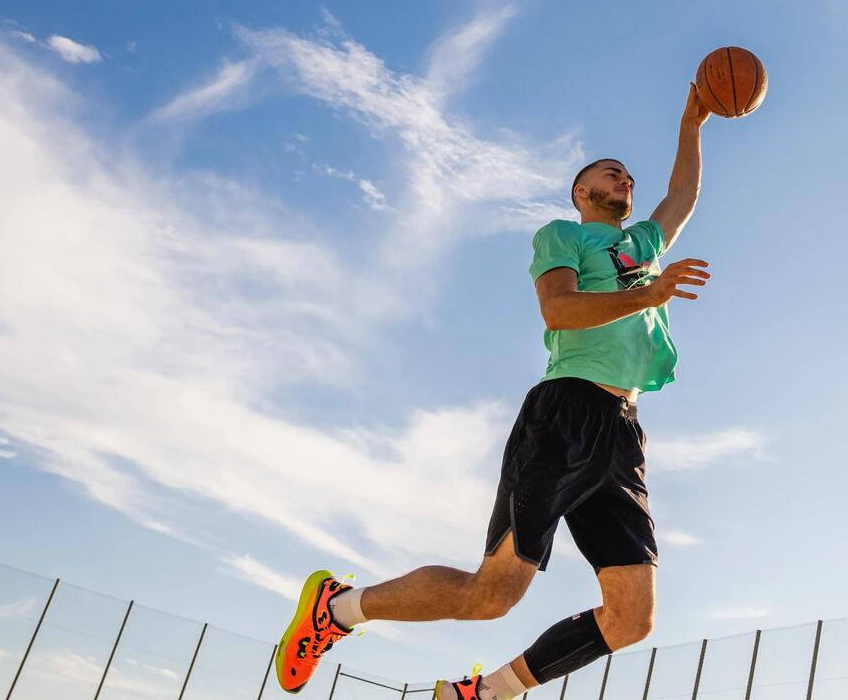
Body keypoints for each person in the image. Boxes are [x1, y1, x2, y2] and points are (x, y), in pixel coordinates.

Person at [276, 85, 718, 700]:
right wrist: (646, 295)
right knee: (492, 595)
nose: (625, 177)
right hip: (567, 411)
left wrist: (692, 121)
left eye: (629, 175)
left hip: (621, 429)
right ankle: (339, 610)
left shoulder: (642, 244)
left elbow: (683, 195)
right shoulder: (564, 236)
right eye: (608, 172)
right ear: (582, 193)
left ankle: (483, 694)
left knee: (631, 618)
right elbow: (558, 311)